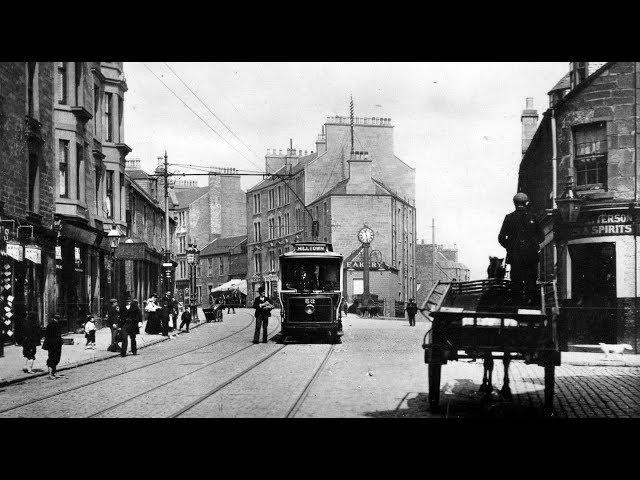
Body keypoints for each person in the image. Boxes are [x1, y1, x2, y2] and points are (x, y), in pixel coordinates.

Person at [498, 192, 545, 305]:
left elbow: (501, 238)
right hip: (531, 256)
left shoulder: (509, 218)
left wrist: (510, 247)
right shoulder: (533, 217)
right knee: (531, 279)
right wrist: (533, 245)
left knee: (516, 280)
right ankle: (530, 303)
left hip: (515, 256)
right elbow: (542, 237)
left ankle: (517, 303)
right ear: (526, 203)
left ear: (515, 203)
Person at [43, 314, 63, 379]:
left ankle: (54, 373)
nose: (57, 320)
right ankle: (50, 374)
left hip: (57, 344)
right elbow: (48, 336)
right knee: (52, 358)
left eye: (58, 319)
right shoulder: (50, 325)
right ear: (53, 319)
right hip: (52, 345)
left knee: (56, 358)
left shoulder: (57, 325)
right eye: (56, 319)